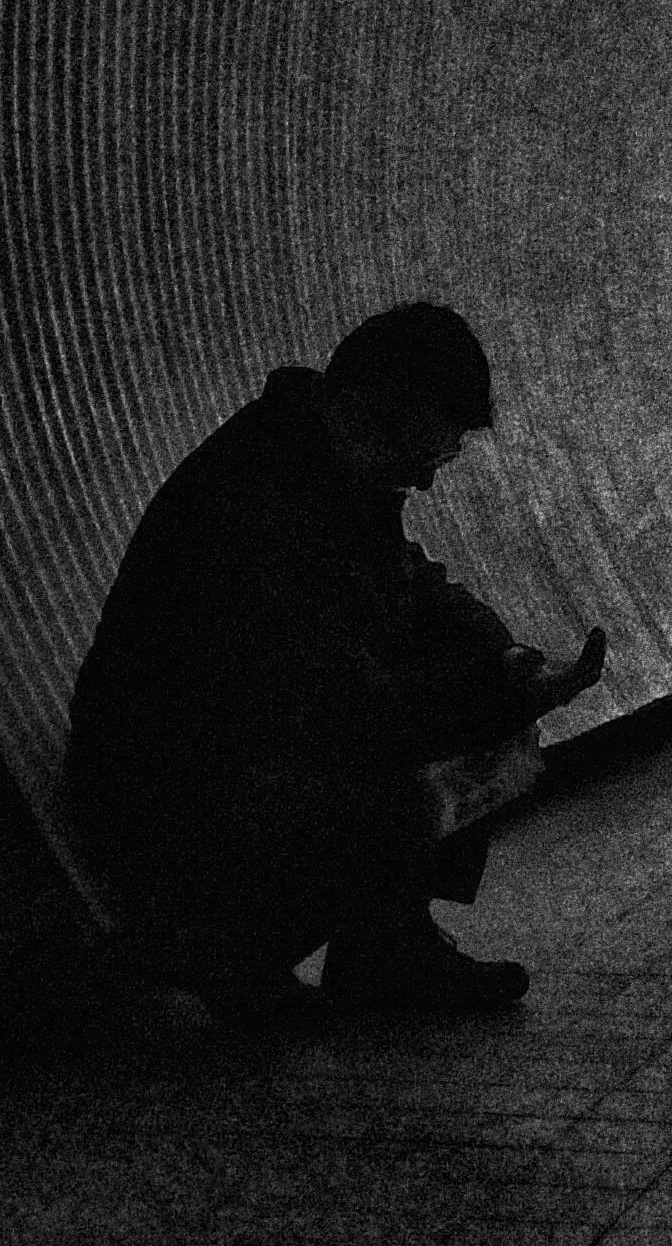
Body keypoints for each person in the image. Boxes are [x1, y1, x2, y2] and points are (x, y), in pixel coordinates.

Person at [68, 304, 609, 1027]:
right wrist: (498, 698)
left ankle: (387, 946)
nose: (426, 487)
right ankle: (219, 951)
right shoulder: (254, 507)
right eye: (422, 458)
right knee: (430, 782)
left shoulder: (328, 470)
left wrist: (507, 661)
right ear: (365, 411)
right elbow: (344, 706)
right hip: (167, 791)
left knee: (489, 739)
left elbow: (418, 589)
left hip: (238, 755)